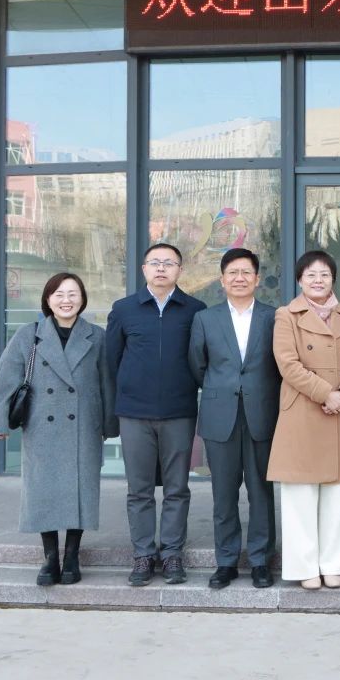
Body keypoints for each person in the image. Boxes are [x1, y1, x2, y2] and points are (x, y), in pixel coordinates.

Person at [0, 272, 117, 586]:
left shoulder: (97, 336)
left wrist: (110, 424)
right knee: (43, 490)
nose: (66, 300)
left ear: (82, 299)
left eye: (73, 294)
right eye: (59, 294)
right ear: (47, 299)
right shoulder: (29, 335)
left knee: (81, 489)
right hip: (41, 426)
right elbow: (5, 380)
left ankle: (72, 555)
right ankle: (49, 558)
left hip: (83, 425)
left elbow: (107, 383)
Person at [106, 242, 207, 587]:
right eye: (155, 262)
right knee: (139, 489)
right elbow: (111, 362)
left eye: (169, 263)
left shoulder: (195, 310)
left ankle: (172, 553)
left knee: (177, 488)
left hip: (179, 412)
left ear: (180, 270)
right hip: (135, 414)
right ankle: (143, 554)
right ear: (144, 269)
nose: (161, 268)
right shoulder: (124, 309)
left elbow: (201, 360)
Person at [268, 250, 340, 589]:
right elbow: (287, 363)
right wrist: (326, 393)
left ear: (333, 279)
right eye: (310, 274)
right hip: (304, 408)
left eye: (324, 274)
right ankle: (304, 566)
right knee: (300, 493)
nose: (318, 280)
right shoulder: (286, 315)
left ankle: (335, 563)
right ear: (300, 279)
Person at [188, 247, 281, 590]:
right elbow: (197, 365)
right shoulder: (205, 319)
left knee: (261, 493)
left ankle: (260, 561)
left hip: (262, 414)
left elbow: (280, 366)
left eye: (246, 273)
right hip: (220, 416)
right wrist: (222, 389)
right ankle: (226, 561)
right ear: (222, 280)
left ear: (257, 279)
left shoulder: (274, 317)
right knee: (223, 494)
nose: (239, 278)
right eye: (233, 273)